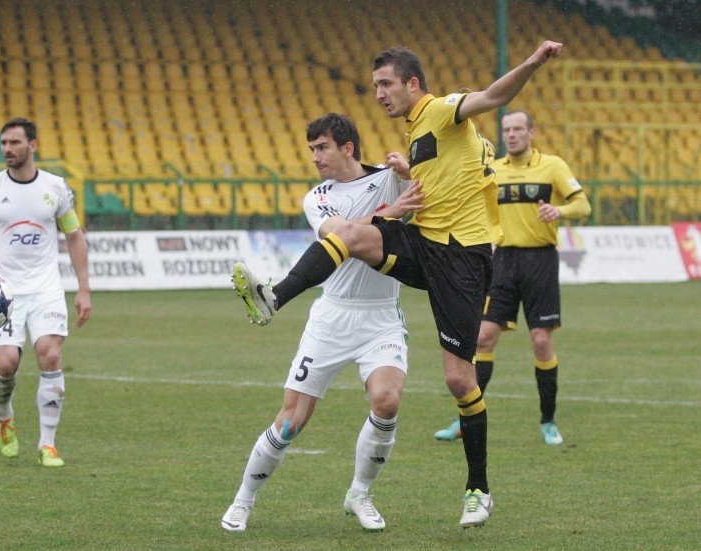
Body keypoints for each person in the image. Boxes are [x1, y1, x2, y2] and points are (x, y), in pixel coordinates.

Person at [231, 41, 564, 528]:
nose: (380, 94)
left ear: (413, 83)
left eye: (386, 84)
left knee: (458, 379)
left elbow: (492, 97)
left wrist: (533, 62)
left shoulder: (443, 110)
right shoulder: (412, 135)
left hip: (463, 259)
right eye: (375, 87)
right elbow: (439, 182)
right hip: (422, 245)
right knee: (350, 234)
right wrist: (408, 172)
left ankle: (478, 489)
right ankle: (275, 296)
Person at [222, 113, 422, 533]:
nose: (315, 157)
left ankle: (360, 494)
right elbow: (342, 233)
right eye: (312, 148)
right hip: (332, 316)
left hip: (382, 314)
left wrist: (407, 172)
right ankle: (244, 500)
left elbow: (426, 196)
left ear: (347, 147)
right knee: (291, 420)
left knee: (387, 402)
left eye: (322, 147)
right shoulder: (318, 197)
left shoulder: (388, 179)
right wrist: (390, 213)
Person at [433, 110, 591, 445]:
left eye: (518, 129)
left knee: (541, 341)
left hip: (540, 260)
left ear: (531, 132)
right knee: (483, 339)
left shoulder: (553, 166)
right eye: (507, 130)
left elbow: (583, 205)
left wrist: (558, 211)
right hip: (501, 261)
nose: (512, 135)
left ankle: (548, 421)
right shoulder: (494, 170)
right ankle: (465, 419)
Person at [0, 117, 91, 467]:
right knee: (6, 364)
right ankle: (5, 417)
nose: (7, 149)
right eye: (4, 143)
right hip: (3, 291)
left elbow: (74, 237)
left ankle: (47, 444)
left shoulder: (56, 188)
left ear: (32, 146)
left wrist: (83, 289)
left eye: (15, 143)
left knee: (49, 356)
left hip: (45, 287)